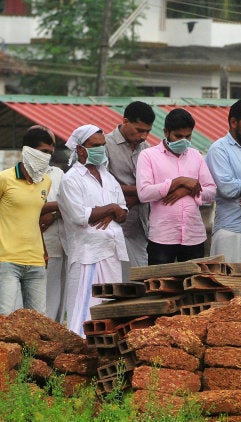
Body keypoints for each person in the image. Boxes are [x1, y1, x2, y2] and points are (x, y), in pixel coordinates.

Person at [58, 125, 128, 337]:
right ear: (80, 150)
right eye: (95, 146)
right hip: (88, 255)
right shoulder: (71, 179)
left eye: (102, 146)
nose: (100, 150)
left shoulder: (108, 176)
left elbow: (123, 211)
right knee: (84, 310)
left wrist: (112, 211)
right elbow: (80, 216)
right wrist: (111, 209)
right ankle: (78, 357)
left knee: (108, 309)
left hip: (112, 251)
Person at [136, 108, 217, 265]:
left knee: (193, 287)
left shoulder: (196, 156)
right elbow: (144, 193)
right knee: (159, 286)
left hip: (194, 236)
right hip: (162, 236)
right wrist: (178, 182)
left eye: (188, 136)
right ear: (166, 132)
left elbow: (212, 191)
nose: (184, 141)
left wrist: (188, 190)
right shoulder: (148, 156)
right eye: (178, 136)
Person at [0, 127, 53, 315]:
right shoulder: (5, 179)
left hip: (36, 262)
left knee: (39, 323)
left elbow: (35, 218)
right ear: (28, 150)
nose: (47, 157)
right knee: (4, 318)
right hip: (6, 260)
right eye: (44, 151)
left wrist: (44, 252)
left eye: (50, 153)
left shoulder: (46, 181)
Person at [205, 99, 241, 263]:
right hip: (230, 231)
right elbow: (227, 188)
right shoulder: (219, 149)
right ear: (233, 122)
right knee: (226, 285)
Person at [105, 101, 155, 280]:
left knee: (138, 280)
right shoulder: (105, 145)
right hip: (112, 225)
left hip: (141, 225)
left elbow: (153, 186)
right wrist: (143, 192)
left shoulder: (147, 149)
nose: (144, 136)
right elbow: (105, 186)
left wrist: (141, 193)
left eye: (148, 131)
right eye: (139, 130)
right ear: (125, 121)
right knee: (114, 281)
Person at [32, 126, 67, 322]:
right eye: (44, 149)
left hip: (57, 244)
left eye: (51, 148)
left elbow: (70, 205)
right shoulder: (15, 176)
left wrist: (51, 214)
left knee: (55, 296)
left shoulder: (58, 174)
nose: (49, 153)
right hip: (30, 246)